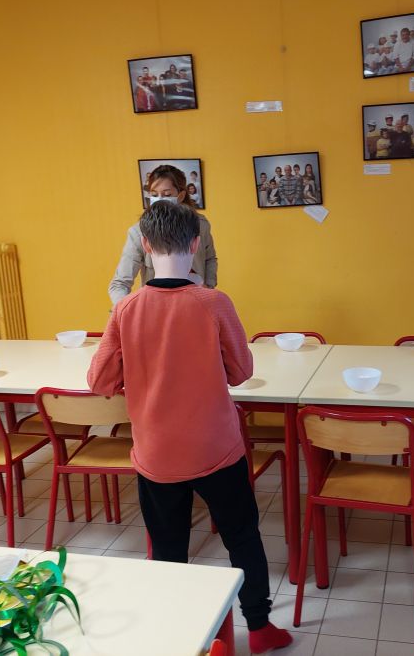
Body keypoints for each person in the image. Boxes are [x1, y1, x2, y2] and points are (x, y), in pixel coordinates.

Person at [89, 201, 293, 655]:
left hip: (157, 455)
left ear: (145, 246)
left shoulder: (125, 309)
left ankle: (180, 637)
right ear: (196, 243)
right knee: (242, 536)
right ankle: (259, 627)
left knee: (167, 549)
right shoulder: (214, 302)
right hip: (216, 449)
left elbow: (99, 381)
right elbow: (241, 371)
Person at [109, 164, 217, 303]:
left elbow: (210, 258)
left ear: (181, 195)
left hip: (196, 303)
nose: (159, 199)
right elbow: (119, 284)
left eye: (167, 195)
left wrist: (209, 288)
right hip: (157, 307)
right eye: (154, 195)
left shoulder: (200, 225)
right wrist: (127, 311)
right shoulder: (138, 232)